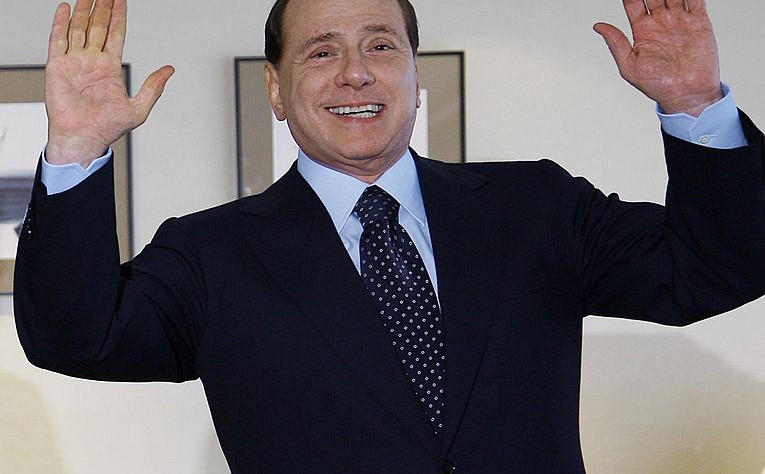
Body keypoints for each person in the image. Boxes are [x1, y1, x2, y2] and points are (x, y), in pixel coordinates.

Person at [13, 0, 765, 472]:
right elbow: (77, 338)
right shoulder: (209, 256)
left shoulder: (535, 205)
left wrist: (695, 105)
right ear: (275, 89)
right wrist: (77, 149)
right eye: (320, 52)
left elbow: (717, 268)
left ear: (413, 73)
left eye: (380, 46)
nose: (355, 74)